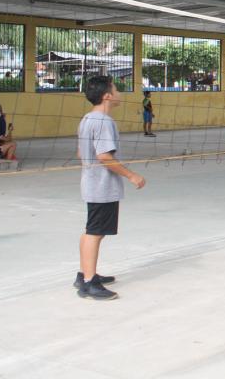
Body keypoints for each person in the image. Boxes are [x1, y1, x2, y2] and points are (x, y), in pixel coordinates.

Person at [75, 75, 146, 300]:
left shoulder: (87, 118)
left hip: (91, 182)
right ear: (107, 96)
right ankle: (89, 283)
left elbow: (80, 153)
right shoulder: (104, 122)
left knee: (93, 231)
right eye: (116, 88)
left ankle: (85, 273)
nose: (119, 92)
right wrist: (131, 175)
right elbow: (105, 156)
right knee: (95, 232)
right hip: (101, 186)